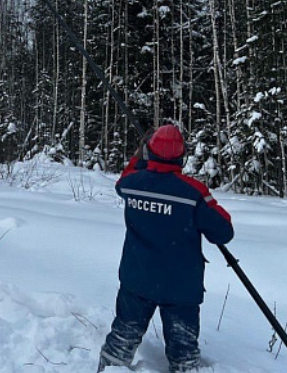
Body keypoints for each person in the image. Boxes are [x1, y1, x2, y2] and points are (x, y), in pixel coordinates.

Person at [98, 124, 233, 372]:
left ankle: (110, 368)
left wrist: (140, 156)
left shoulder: (132, 184)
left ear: (150, 151)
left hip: (137, 278)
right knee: (184, 354)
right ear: (182, 155)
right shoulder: (193, 192)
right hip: (180, 285)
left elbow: (123, 180)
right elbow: (223, 232)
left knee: (122, 340)